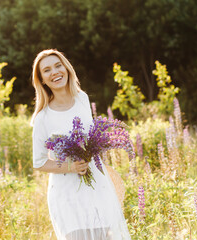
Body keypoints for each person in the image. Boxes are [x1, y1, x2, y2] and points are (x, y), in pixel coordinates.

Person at [31, 49, 131, 240]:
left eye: (58, 65)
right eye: (47, 70)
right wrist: (71, 166)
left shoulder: (82, 99)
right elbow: (39, 162)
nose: (55, 72)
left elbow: (92, 136)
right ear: (42, 79)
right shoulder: (42, 118)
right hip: (67, 194)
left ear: (66, 68)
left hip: (97, 186)